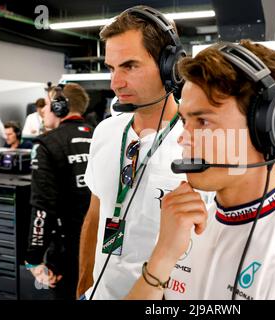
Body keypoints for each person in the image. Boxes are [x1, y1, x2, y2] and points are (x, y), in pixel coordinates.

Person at [126, 41, 275, 300]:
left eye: (203, 121)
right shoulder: (183, 227)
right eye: (184, 121)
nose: (183, 138)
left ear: (267, 129)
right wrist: (162, 256)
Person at [78, 6, 195, 300]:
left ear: (171, 65)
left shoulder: (198, 140)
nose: (115, 83)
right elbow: (95, 215)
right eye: (111, 68)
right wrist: (83, 285)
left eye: (129, 66)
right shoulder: (105, 132)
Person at [24, 83, 93, 300]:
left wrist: (34, 259)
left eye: (46, 104)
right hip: (102, 245)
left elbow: (42, 207)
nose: (43, 110)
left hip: (67, 251)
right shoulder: (101, 136)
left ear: (60, 107)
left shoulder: (46, 144)